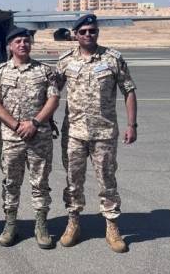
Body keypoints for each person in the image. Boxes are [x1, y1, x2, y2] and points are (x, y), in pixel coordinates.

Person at [55, 13, 138, 253]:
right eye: (83, 32)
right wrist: (44, 119)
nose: (88, 35)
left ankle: (112, 226)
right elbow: (52, 92)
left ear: (98, 32)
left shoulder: (113, 59)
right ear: (75, 35)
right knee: (73, 181)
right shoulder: (65, 61)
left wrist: (132, 125)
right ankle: (73, 223)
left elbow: (129, 90)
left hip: (104, 133)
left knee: (107, 181)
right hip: (74, 133)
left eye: (92, 31)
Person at [0, 27, 60, 248]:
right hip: (12, 139)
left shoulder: (45, 71)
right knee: (11, 182)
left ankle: (41, 224)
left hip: (39, 136)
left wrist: (35, 123)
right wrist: (16, 125)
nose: (23, 44)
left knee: (40, 182)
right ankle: (10, 223)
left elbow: (53, 99)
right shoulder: (0, 72)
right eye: (18, 41)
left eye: (26, 41)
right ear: (10, 46)